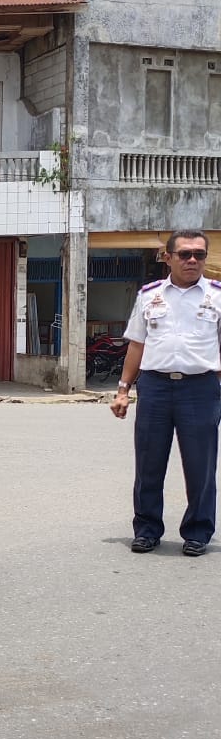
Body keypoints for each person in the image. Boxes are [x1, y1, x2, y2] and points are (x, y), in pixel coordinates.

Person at [111, 230, 221, 557]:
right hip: (155, 387)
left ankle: (198, 531)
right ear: (168, 257)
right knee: (148, 463)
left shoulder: (217, 295)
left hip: (200, 388)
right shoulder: (149, 295)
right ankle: (146, 530)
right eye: (185, 254)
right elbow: (136, 344)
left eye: (199, 255)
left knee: (201, 466)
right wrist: (122, 390)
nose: (192, 260)